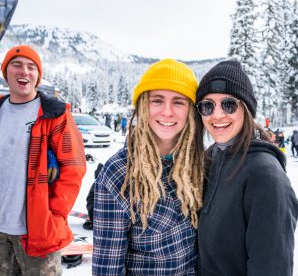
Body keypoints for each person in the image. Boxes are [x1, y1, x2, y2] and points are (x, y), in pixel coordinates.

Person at [92, 59, 204, 275]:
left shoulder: (199, 163)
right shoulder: (119, 173)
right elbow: (107, 268)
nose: (167, 111)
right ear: (144, 105)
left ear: (191, 110)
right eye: (157, 100)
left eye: (179, 102)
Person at [195, 60, 298, 276]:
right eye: (207, 106)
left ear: (246, 109)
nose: (217, 115)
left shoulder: (265, 176)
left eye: (228, 104)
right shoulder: (210, 159)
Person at [0, 45, 86, 275]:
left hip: (39, 232)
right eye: (16, 65)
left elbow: (74, 168)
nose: (24, 72)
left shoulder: (54, 115)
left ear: (38, 76)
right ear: (5, 72)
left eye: (31, 67)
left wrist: (54, 213)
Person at [83, 163, 104, 230]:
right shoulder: (111, 181)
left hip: (98, 217)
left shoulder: (97, 184)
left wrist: (92, 218)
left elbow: (90, 200)